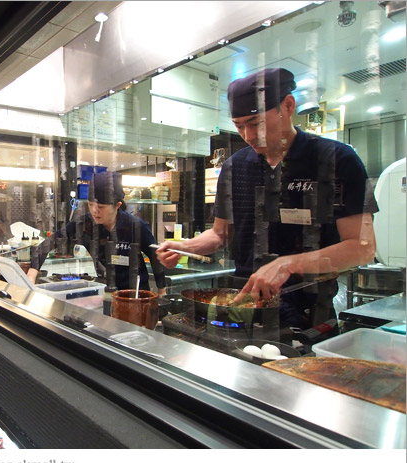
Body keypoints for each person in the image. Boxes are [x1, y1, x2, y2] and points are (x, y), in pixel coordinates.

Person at [157, 68, 377, 330]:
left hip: (309, 310)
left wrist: (288, 264)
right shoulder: (234, 167)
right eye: (239, 127)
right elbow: (220, 235)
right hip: (244, 306)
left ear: (288, 105)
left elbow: (363, 248)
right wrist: (186, 246)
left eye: (256, 124)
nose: (249, 137)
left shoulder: (337, 159)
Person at [28, 171, 166, 296]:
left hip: (135, 294)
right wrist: (31, 274)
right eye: (90, 204)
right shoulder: (84, 225)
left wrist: (162, 291)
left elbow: (155, 257)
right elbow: (49, 243)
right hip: (104, 292)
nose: (94, 211)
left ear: (117, 205)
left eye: (100, 207)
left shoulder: (136, 226)